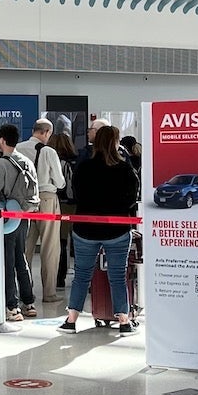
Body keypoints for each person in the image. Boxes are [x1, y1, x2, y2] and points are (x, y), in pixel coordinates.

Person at [60, 125, 140, 334]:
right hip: (117, 230)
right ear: (116, 142)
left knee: (82, 275)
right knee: (117, 275)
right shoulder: (124, 169)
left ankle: (71, 320)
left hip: (85, 230)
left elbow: (76, 193)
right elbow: (132, 198)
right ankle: (123, 321)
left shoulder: (84, 167)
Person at [0, 124, 41, 321]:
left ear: (2, 140)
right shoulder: (27, 161)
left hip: (6, 217)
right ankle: (29, 302)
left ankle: (12, 306)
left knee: (6, 260)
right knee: (21, 258)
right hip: (23, 216)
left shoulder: (0, 164)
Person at [23, 119, 66, 304]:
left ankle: (24, 291)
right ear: (47, 132)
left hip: (23, 202)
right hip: (47, 199)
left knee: (25, 248)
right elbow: (60, 181)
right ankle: (49, 293)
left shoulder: (18, 149)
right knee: (50, 247)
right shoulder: (48, 151)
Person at [48, 130, 78, 294]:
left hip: (58, 204)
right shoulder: (75, 162)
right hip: (74, 206)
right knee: (78, 243)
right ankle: (80, 277)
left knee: (60, 242)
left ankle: (59, 278)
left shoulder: (53, 161)